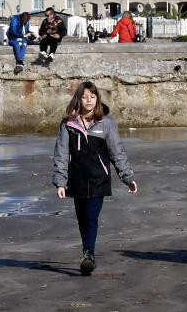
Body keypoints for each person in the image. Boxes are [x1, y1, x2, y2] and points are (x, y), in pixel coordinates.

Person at [52, 80, 138, 276]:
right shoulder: (68, 124)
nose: (88, 100)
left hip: (99, 179)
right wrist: (60, 181)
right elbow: (61, 153)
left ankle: (89, 255)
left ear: (97, 99)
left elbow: (117, 152)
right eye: (84, 97)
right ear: (78, 99)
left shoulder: (106, 123)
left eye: (92, 96)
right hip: (77, 179)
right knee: (82, 219)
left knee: (91, 217)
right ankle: (86, 252)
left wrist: (128, 178)